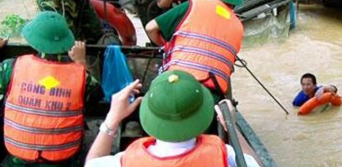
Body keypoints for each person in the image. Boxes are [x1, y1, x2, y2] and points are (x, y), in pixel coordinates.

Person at [84, 70, 260, 167]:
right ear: (203, 114)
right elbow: (254, 164)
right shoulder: (224, 154)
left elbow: (92, 163)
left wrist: (112, 119)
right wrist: (231, 125)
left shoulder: (125, 161)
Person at [0, 11, 102, 167]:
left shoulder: (11, 66)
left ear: (33, 41)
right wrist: (81, 64)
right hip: (62, 159)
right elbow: (95, 97)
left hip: (17, 158)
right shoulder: (81, 76)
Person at [145, 0, 244, 101]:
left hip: (176, 82)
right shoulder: (238, 26)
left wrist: (166, 46)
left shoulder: (195, 4)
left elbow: (150, 28)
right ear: (235, 3)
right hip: (211, 94)